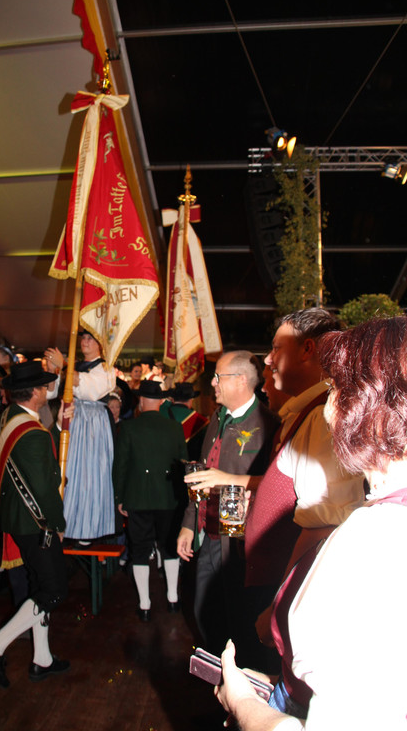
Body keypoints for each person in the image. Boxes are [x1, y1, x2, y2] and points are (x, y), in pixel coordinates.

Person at [216, 316, 407, 730]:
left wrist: (243, 703)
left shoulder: (374, 535)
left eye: (338, 386)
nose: (330, 400)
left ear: (370, 407)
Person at [243, 309, 364, 651]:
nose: (268, 360)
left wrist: (280, 608)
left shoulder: (323, 417)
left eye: (276, 348)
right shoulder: (308, 413)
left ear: (308, 349)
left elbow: (324, 526)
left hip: (287, 592)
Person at [0, 361, 71, 689]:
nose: (48, 390)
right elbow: (44, 485)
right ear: (36, 392)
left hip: (16, 516)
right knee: (53, 590)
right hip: (35, 520)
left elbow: (30, 455)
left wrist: (57, 427)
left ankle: (42, 659)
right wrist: (57, 523)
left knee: (40, 586)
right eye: (45, 386)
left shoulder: (7, 418)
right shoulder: (33, 433)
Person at [178, 351, 279, 658]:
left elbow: (278, 485)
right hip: (210, 536)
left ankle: (237, 679)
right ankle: (216, 671)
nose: (213, 383)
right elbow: (203, 473)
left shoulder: (269, 424)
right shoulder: (217, 419)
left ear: (240, 381)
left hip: (242, 544)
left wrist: (230, 480)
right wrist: (188, 523)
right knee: (204, 613)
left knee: (241, 622)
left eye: (218, 377)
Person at [112, 380, 188, 621]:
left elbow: (121, 466)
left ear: (142, 401)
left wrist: (120, 497)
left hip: (138, 497)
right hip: (169, 497)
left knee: (140, 550)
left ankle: (144, 604)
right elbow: (184, 464)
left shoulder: (129, 428)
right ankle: (173, 599)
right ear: (161, 401)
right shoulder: (175, 428)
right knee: (169, 547)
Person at [45, 330, 116, 541]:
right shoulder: (74, 366)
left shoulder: (106, 368)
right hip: (70, 417)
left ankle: (88, 529)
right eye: (83, 338)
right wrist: (51, 371)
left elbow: (89, 389)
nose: (85, 342)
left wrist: (64, 366)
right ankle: (66, 524)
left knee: (89, 474)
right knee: (67, 472)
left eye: (90, 339)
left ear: (100, 345)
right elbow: (51, 392)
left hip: (93, 424)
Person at [160, 381, 209, 460]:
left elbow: (163, 406)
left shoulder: (161, 412)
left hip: (164, 460)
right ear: (190, 400)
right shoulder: (200, 420)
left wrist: (168, 401)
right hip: (188, 463)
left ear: (173, 399)